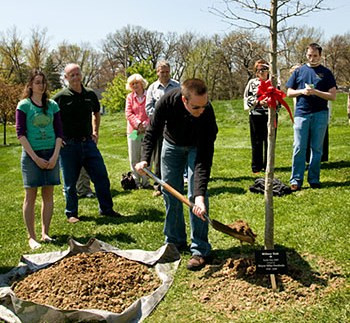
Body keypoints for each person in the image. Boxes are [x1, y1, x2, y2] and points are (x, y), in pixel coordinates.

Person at [136, 78, 218, 271]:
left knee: (195, 197)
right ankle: (174, 241)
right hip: (171, 144)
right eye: (196, 107)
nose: (202, 110)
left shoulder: (207, 115)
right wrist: (145, 158)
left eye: (204, 105)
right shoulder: (167, 101)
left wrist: (199, 196)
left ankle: (200, 249)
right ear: (184, 100)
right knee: (170, 193)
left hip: (197, 147)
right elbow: (152, 131)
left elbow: (203, 161)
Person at [53, 63, 121, 223]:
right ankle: (72, 213)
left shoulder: (90, 94)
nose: (76, 77)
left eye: (77, 74)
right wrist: (58, 137)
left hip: (88, 143)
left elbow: (96, 113)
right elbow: (52, 119)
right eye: (72, 75)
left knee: (101, 177)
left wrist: (95, 132)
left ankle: (107, 209)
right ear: (66, 78)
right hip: (68, 145)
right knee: (70, 182)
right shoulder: (60, 97)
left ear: (81, 75)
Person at [16, 69, 63, 249]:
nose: (41, 85)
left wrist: (54, 155)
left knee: (48, 195)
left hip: (51, 153)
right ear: (30, 85)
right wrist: (35, 158)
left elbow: (59, 132)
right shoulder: (24, 105)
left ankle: (45, 233)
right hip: (31, 155)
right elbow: (20, 134)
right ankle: (32, 236)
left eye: (43, 82)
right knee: (31, 195)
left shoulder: (52, 105)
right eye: (37, 82)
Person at [286, 43, 337, 191]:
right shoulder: (299, 71)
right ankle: (296, 180)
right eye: (309, 55)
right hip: (302, 114)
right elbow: (289, 92)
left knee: (317, 148)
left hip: (320, 114)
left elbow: (332, 96)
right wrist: (302, 91)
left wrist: (316, 92)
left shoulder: (326, 73)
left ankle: (314, 179)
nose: (312, 58)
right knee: (299, 147)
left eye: (315, 55)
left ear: (320, 56)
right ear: (306, 55)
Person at [146, 60, 180, 196]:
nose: (165, 74)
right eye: (162, 72)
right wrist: (160, 117)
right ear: (157, 72)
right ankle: (159, 186)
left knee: (175, 155)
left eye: (167, 71)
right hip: (159, 127)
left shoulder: (177, 86)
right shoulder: (152, 88)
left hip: (175, 127)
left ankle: (175, 184)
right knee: (160, 157)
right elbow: (149, 108)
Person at [243, 59, 273, 174]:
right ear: (256, 72)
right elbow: (247, 98)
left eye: (264, 69)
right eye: (259, 70)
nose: (261, 72)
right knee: (256, 141)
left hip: (270, 115)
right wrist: (258, 102)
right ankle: (256, 166)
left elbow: (279, 97)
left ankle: (268, 165)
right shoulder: (252, 83)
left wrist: (270, 102)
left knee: (269, 140)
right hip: (256, 115)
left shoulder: (273, 82)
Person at [125, 73, 151, 188]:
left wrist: (145, 125)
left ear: (142, 83)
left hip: (147, 130)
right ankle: (136, 182)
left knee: (145, 156)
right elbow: (128, 113)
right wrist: (138, 124)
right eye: (132, 84)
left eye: (137, 83)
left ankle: (146, 182)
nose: (135, 85)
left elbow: (151, 112)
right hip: (133, 132)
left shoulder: (149, 95)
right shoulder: (130, 97)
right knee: (134, 156)